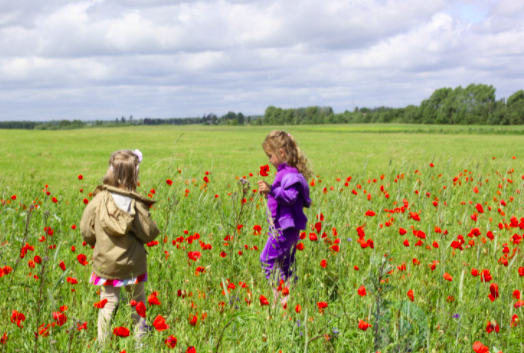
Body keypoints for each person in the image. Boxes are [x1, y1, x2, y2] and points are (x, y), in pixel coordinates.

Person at [80, 149, 160, 347]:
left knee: (107, 303)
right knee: (138, 301)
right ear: (134, 174)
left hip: (106, 264)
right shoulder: (135, 203)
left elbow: (85, 230)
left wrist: (97, 245)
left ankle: (102, 346)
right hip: (133, 264)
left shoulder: (98, 200)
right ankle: (140, 344)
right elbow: (149, 233)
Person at [257, 131, 312, 304]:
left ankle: (278, 297)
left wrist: (271, 190)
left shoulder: (290, 174)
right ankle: (287, 300)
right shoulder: (285, 172)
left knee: (266, 260)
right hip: (283, 229)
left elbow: (290, 197)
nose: (269, 161)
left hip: (284, 230)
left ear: (281, 153)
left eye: (270, 156)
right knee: (285, 266)